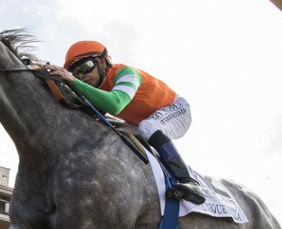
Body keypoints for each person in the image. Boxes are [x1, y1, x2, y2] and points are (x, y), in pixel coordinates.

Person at [44, 40, 205, 204]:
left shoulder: (127, 73)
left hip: (177, 109)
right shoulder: (94, 87)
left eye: (85, 67)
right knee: (110, 131)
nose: (81, 75)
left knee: (148, 126)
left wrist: (72, 81)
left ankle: (188, 181)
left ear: (102, 62)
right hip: (141, 122)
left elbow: (115, 104)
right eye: (75, 72)